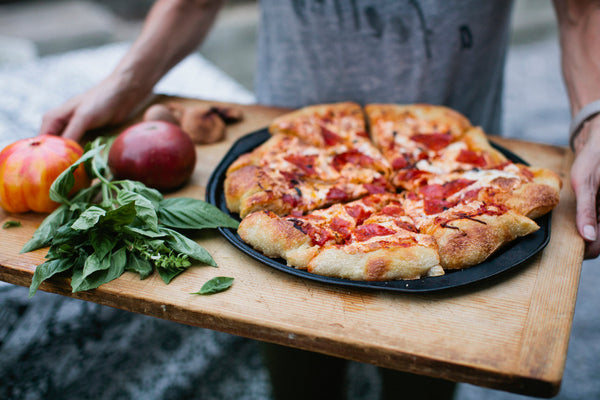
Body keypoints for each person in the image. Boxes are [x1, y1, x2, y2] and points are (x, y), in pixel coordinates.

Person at [38, 1, 600, 399]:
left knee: (423, 378)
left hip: (463, 163)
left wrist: (592, 121)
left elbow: (581, 9)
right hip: (297, 156)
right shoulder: (274, 176)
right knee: (297, 365)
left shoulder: (490, 197)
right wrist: (130, 79)